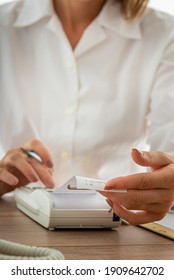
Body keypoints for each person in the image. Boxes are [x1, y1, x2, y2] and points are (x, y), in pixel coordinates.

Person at [0, 0, 174, 225]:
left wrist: (168, 182)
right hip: (20, 221)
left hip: (121, 228)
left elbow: (169, 148)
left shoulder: (164, 34)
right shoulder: (4, 26)